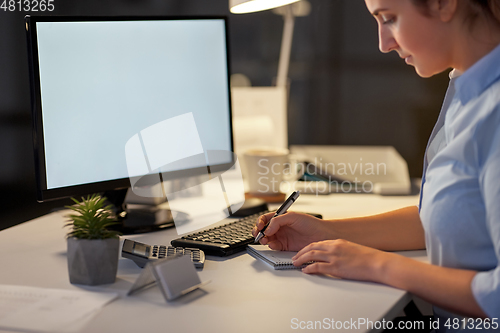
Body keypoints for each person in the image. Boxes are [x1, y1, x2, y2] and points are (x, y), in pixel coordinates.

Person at [252, 0, 500, 329]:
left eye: (389, 19)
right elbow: (453, 218)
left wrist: (376, 265)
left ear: (443, 4)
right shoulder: (468, 87)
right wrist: (327, 233)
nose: (383, 44)